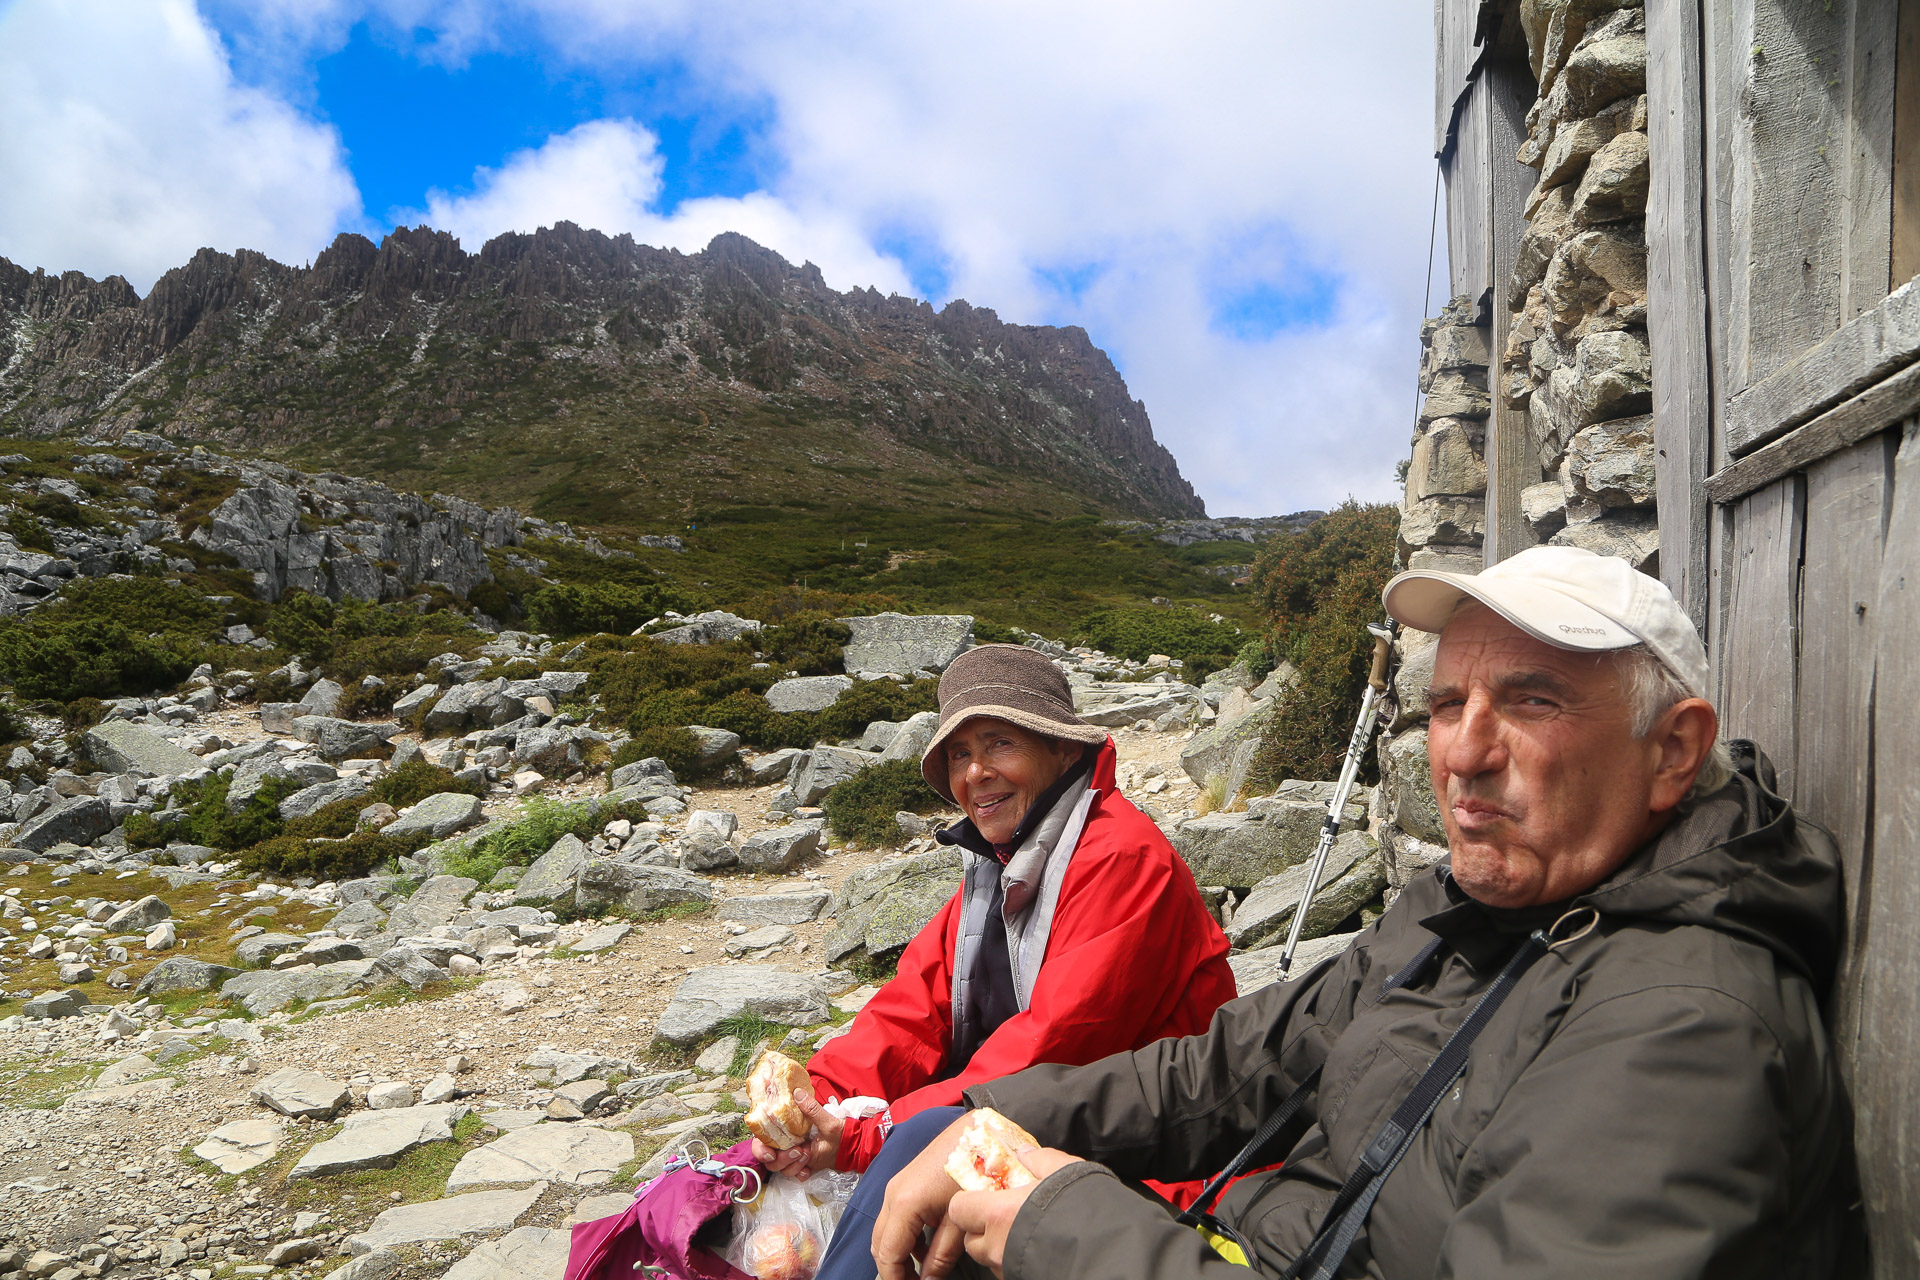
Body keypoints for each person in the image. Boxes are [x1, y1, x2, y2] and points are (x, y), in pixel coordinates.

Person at [869, 546, 1863, 1279]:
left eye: (1532, 701)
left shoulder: (1677, 1026)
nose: (1464, 754)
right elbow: (1228, 1068)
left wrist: (1060, 1222)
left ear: (1672, 752)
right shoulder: (1470, 909)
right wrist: (977, 1115)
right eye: (1446, 703)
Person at [763, 643, 1237, 1280]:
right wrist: (818, 1101)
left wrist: (866, 1135)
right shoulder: (1000, 866)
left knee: (920, 1143)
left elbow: (1057, 1049)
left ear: (1063, 751)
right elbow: (912, 1012)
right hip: (1037, 1118)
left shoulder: (1124, 858)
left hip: (1155, 1159)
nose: (975, 774)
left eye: (999, 744)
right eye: (960, 754)